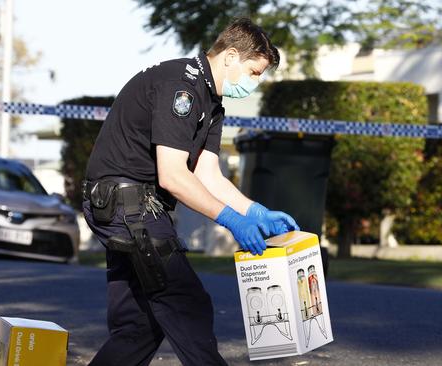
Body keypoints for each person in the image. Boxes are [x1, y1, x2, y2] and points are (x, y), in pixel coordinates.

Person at [82, 18, 299, 366]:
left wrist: (253, 211)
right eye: (254, 73)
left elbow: (207, 174)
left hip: (132, 207)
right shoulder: (181, 87)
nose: (255, 83)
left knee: (140, 325)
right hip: (126, 205)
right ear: (230, 57)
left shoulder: (212, 103)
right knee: (187, 305)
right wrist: (230, 220)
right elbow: (172, 176)